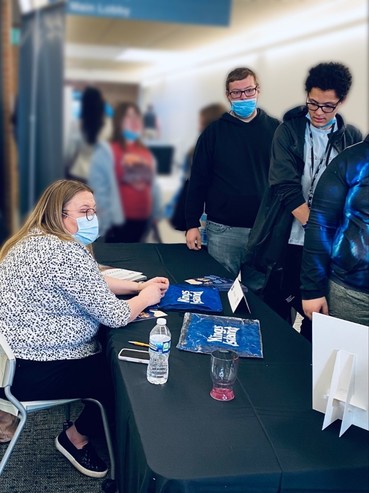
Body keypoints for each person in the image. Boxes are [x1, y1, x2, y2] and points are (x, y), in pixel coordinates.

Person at [0, 179, 169, 478]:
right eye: (84, 211)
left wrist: (136, 285)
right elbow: (116, 316)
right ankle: (74, 438)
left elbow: (89, 282)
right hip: (33, 372)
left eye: (94, 210)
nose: (93, 217)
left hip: (12, 365)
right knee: (118, 379)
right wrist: (145, 297)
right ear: (59, 213)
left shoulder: (32, 240)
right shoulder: (65, 253)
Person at [242, 62, 362, 341]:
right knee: (274, 308)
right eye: (313, 103)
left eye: (328, 106)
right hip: (286, 237)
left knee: (317, 314)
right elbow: (285, 186)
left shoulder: (351, 138)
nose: (319, 112)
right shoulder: (289, 132)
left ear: (341, 102)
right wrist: (315, 224)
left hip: (326, 247)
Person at [185, 67, 280, 277]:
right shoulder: (213, 133)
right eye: (236, 92)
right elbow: (198, 181)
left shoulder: (276, 130)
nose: (243, 96)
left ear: (258, 90)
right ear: (228, 96)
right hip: (223, 230)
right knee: (220, 287)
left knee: (258, 293)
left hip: (263, 229)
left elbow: (286, 180)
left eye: (248, 90)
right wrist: (191, 224)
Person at [301, 135, 369, 326]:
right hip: (352, 295)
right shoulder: (352, 160)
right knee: (339, 355)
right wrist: (312, 290)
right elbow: (320, 225)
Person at [89, 102, 159, 242]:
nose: (134, 121)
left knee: (138, 261)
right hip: (117, 223)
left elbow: (152, 186)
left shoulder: (145, 152)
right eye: (128, 116)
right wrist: (106, 223)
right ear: (118, 121)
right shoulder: (106, 152)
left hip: (144, 221)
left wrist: (155, 213)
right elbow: (99, 191)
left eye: (136, 116)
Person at [168, 103, 227, 232]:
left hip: (204, 215)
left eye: (201, 123)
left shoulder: (195, 152)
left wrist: (171, 209)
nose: (198, 127)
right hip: (218, 216)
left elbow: (189, 185)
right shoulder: (230, 148)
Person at [64, 86, 112, 183]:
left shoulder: (78, 124)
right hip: (101, 173)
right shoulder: (109, 124)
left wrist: (67, 165)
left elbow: (70, 151)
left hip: (79, 173)